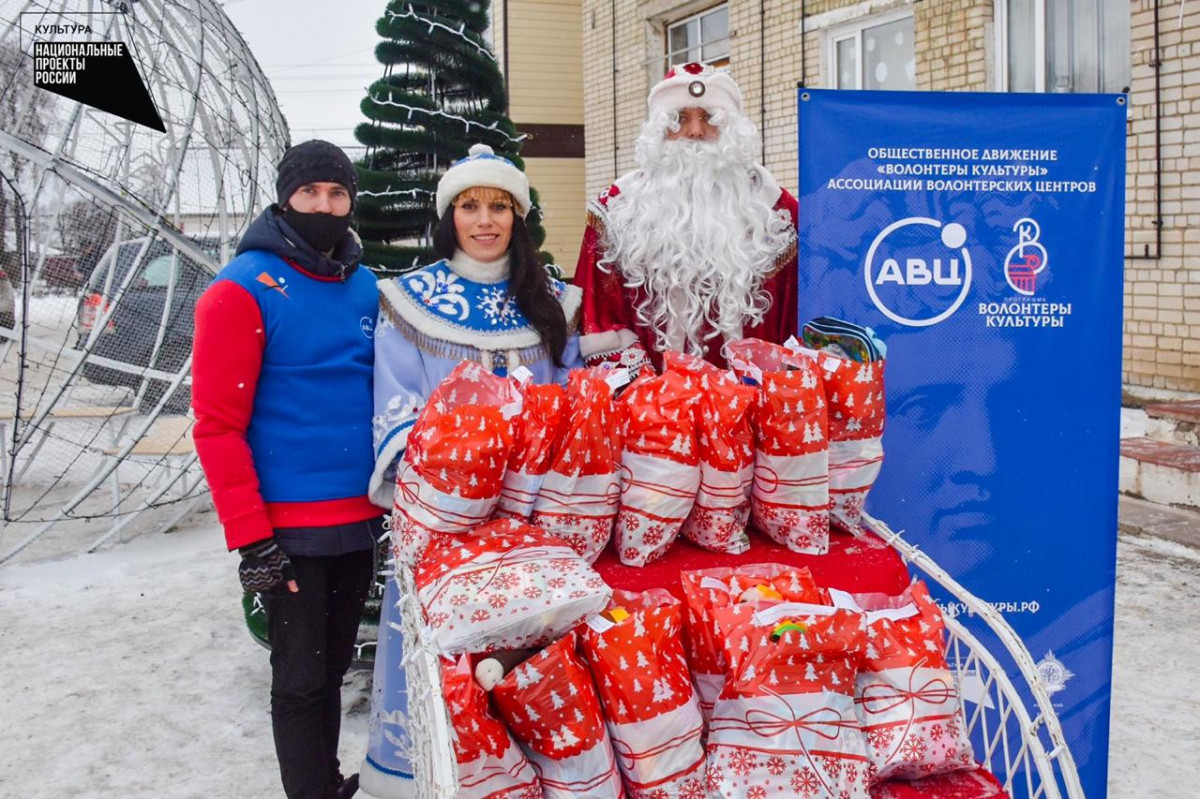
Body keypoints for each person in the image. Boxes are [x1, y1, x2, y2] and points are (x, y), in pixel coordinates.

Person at [360, 143, 582, 798]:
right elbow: (395, 402)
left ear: (518, 216)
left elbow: (572, 403)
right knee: (447, 665)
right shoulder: (407, 302)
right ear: (449, 216)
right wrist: (452, 477)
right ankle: (438, 775)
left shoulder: (554, 302)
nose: (485, 221)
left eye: (499, 207)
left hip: (534, 526)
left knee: (526, 660)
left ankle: (529, 774)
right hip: (443, 528)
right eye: (469, 206)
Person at [193, 140, 381, 799]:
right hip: (287, 530)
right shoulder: (239, 290)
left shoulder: (362, 285)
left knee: (332, 672)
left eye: (337, 194)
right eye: (311, 194)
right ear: (284, 199)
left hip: (358, 520)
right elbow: (217, 426)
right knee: (299, 680)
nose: (325, 206)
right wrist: (252, 537)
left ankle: (325, 782)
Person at [574, 62, 799, 372]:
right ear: (659, 130)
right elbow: (598, 316)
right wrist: (645, 394)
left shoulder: (775, 212)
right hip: (649, 409)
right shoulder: (617, 209)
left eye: (708, 117)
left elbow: (796, 318)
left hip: (752, 407)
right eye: (680, 118)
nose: (695, 131)